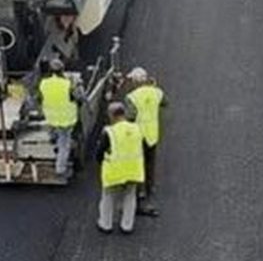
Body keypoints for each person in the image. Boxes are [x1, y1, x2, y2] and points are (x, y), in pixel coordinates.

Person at [96, 102, 145, 234]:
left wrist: (101, 162)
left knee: (108, 197)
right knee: (130, 196)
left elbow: (99, 152)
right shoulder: (137, 128)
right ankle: (127, 226)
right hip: (134, 170)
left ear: (112, 115)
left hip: (114, 171)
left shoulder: (109, 131)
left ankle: (106, 224)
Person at [125, 67, 166, 216]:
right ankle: (150, 187)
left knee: (138, 164)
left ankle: (139, 191)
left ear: (136, 81)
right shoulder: (157, 93)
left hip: (138, 136)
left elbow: (130, 116)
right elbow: (165, 102)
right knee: (150, 163)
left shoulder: (132, 97)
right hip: (152, 134)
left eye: (132, 80)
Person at [36, 58, 84, 178]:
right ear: (62, 70)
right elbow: (79, 98)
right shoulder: (67, 84)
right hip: (66, 119)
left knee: (54, 130)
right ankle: (60, 169)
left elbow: (39, 99)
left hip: (51, 117)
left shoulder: (44, 83)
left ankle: (53, 138)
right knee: (64, 144)